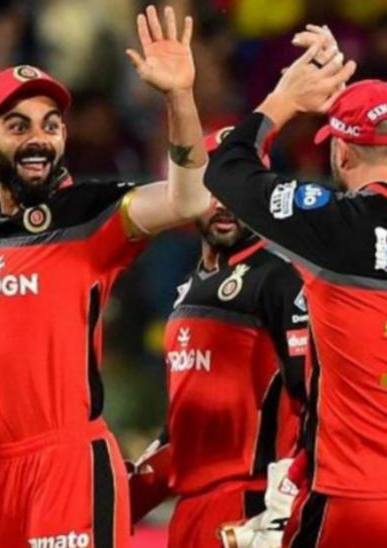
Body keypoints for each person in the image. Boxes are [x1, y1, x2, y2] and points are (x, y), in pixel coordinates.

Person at [0, 5, 211, 547]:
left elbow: (190, 199)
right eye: (18, 126)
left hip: (69, 466)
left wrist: (179, 97)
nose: (38, 139)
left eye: (51, 125)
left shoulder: (89, 214)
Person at [203, 31, 387, 548]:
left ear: (341, 152)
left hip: (352, 498)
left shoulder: (330, 226)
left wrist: (284, 99)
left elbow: (227, 170)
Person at [128, 128, 309, 547]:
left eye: (239, 185)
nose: (225, 202)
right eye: (212, 187)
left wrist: (286, 504)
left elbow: (316, 401)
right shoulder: (186, 288)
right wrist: (128, 490)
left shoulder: (281, 278)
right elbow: (181, 427)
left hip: (251, 508)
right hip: (190, 510)